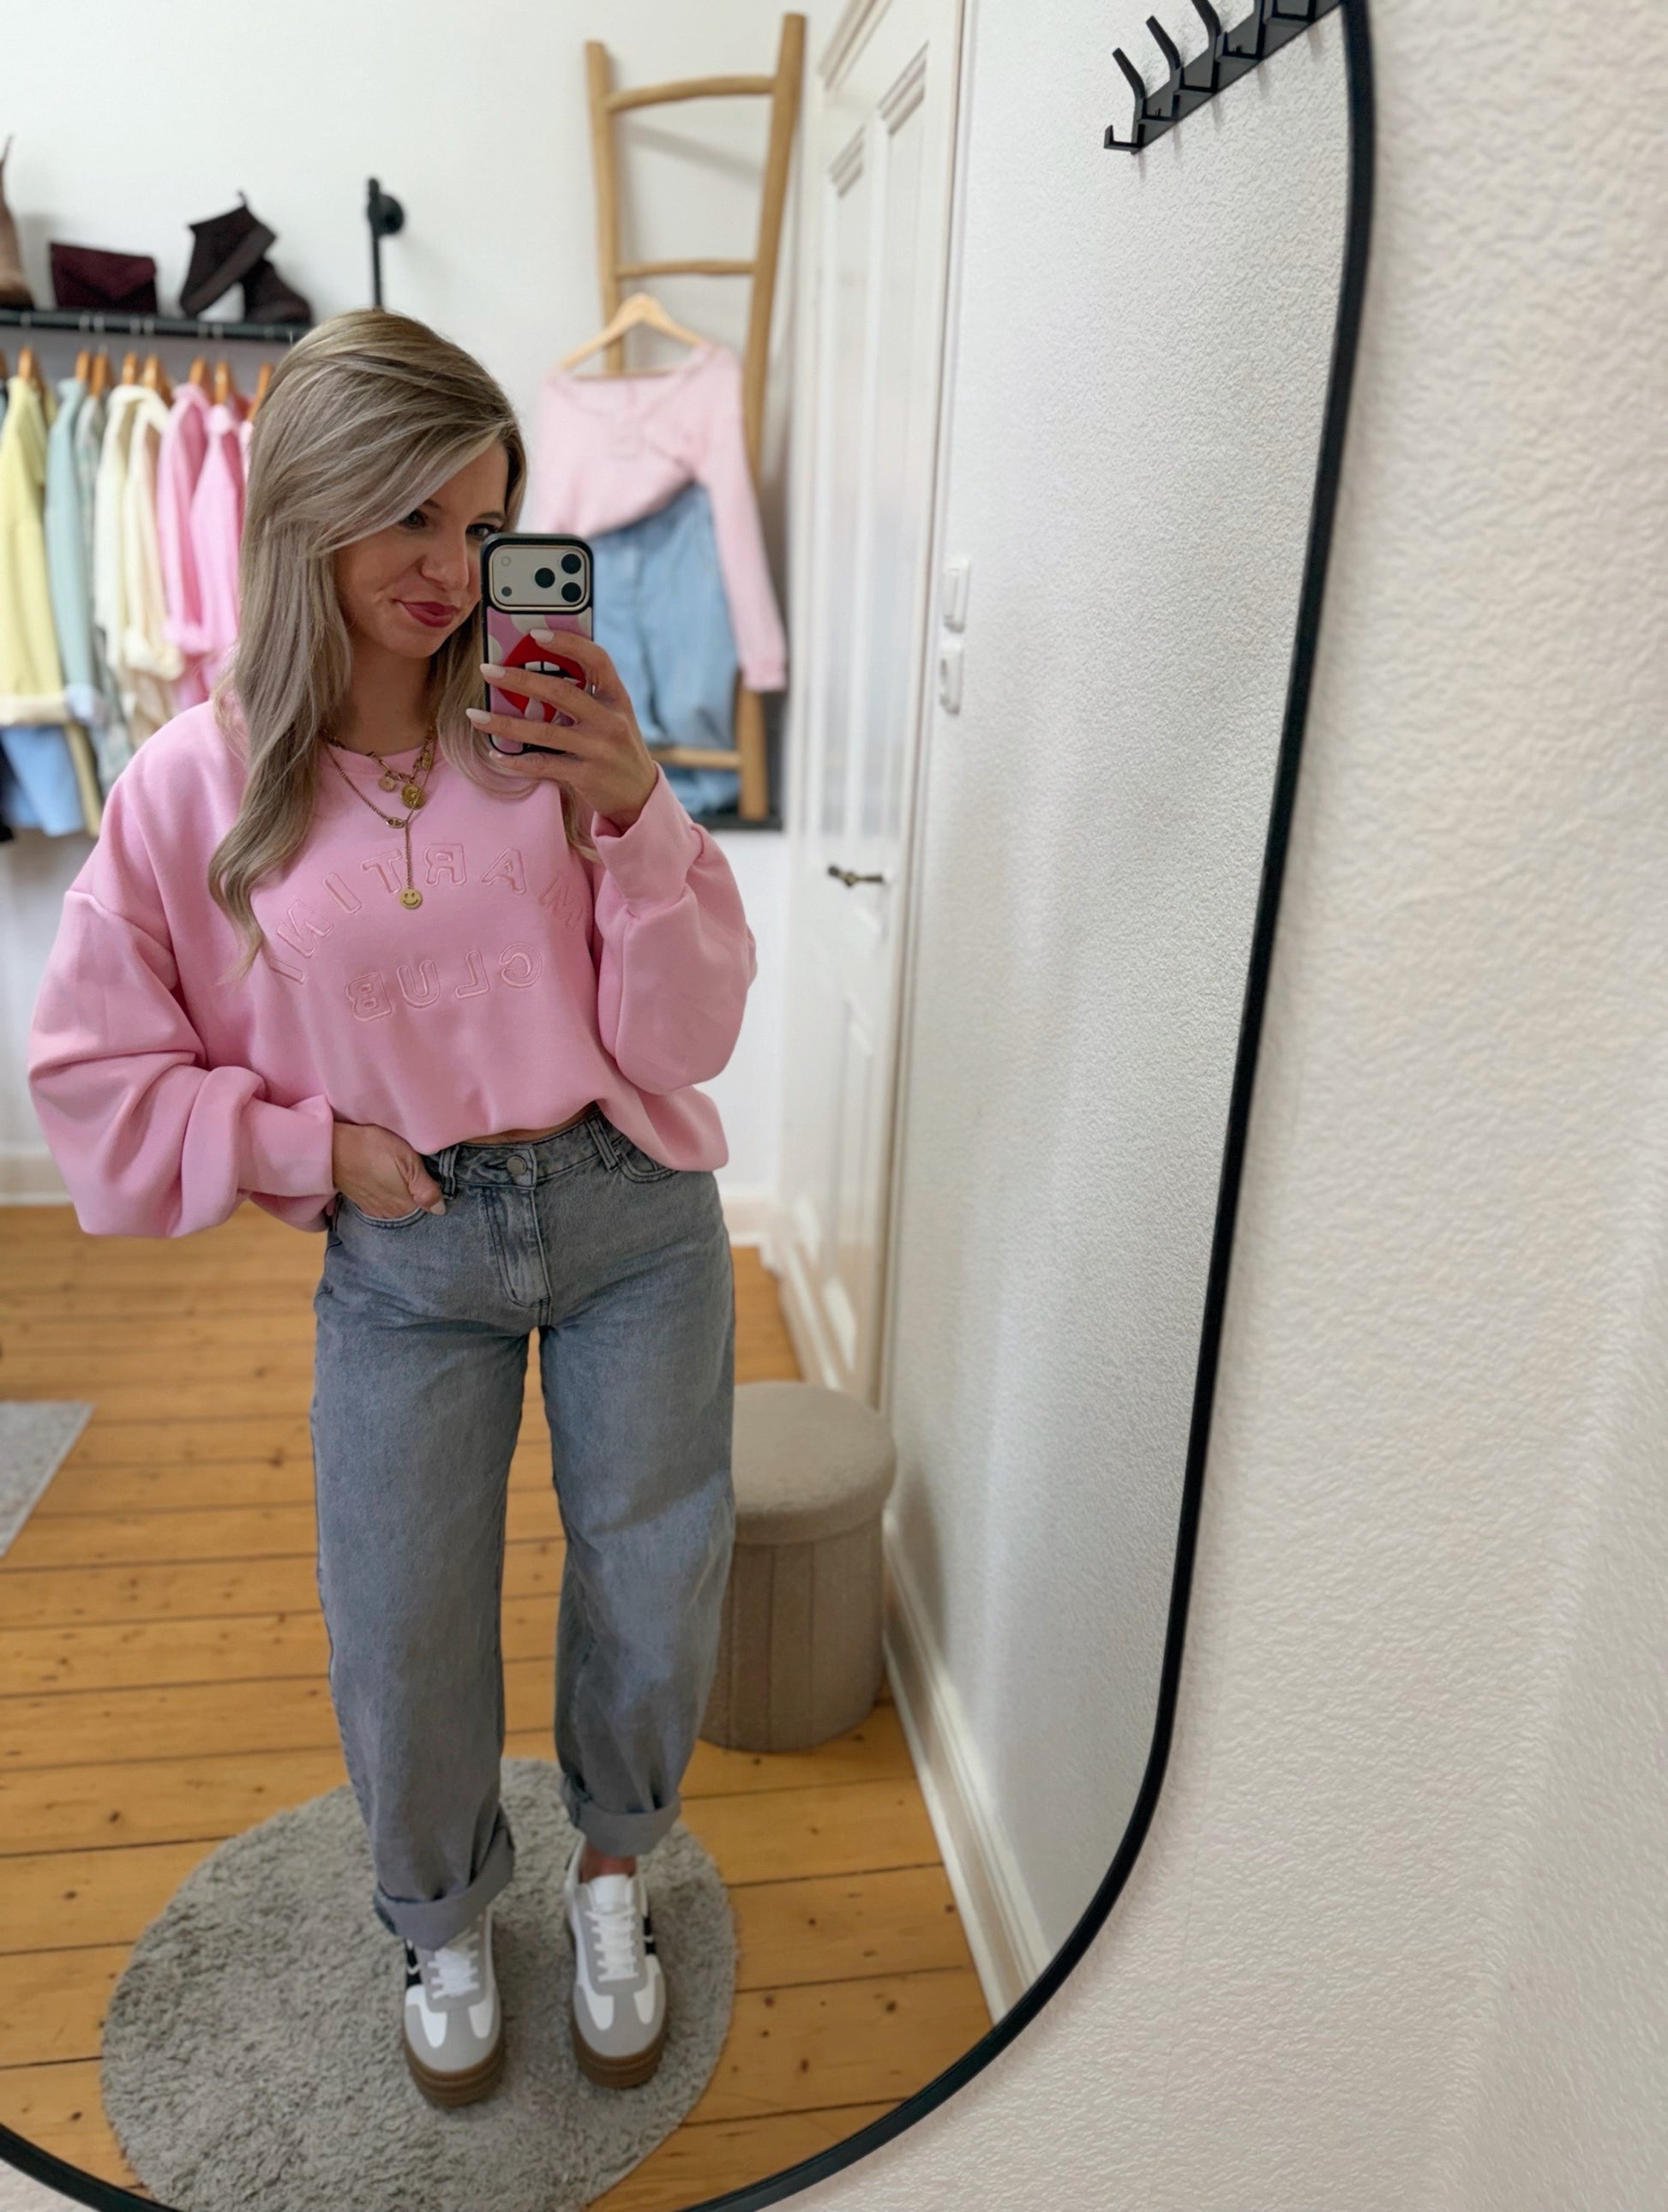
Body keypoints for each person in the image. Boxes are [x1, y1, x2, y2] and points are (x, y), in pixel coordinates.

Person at [27, 309, 753, 2107]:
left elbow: (685, 1031)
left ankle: (610, 1875)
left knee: (652, 1573)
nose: (449, 567)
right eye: (410, 516)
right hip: (407, 1240)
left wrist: (636, 809)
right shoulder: (196, 783)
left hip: (632, 1208)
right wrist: (306, 1145)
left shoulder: (541, 724)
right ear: (309, 503)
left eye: (482, 521)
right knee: (401, 1611)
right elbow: (90, 1073)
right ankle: (438, 1916)